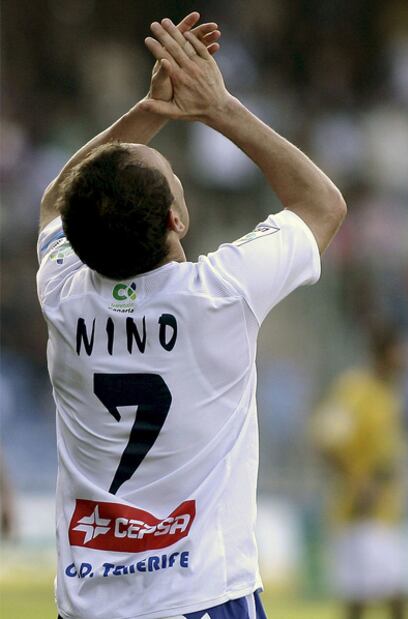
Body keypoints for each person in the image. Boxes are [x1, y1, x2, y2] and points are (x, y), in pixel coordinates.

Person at [37, 12, 346, 619]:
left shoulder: (62, 295)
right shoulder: (222, 295)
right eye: (171, 176)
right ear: (176, 220)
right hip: (203, 596)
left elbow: (56, 198)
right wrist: (216, 106)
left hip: (90, 606)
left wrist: (150, 110)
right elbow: (322, 204)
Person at [312, 324, 408, 619]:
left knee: (366, 596)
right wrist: (360, 485)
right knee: (391, 593)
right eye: (400, 351)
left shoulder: (389, 394)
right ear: (385, 353)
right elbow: (326, 440)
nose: (405, 358)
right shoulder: (356, 390)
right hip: (359, 512)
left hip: (384, 510)